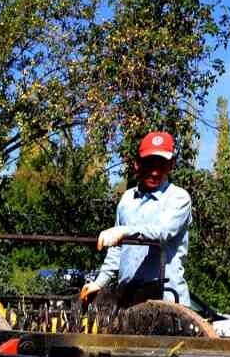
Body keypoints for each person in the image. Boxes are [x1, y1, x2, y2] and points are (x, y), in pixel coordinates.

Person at [80, 132, 193, 309]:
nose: (155, 172)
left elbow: (162, 231)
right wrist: (99, 282)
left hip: (167, 302)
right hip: (129, 302)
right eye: (149, 164)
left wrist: (123, 231)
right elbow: (116, 250)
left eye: (162, 165)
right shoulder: (127, 199)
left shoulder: (179, 198)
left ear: (171, 165)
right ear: (137, 164)